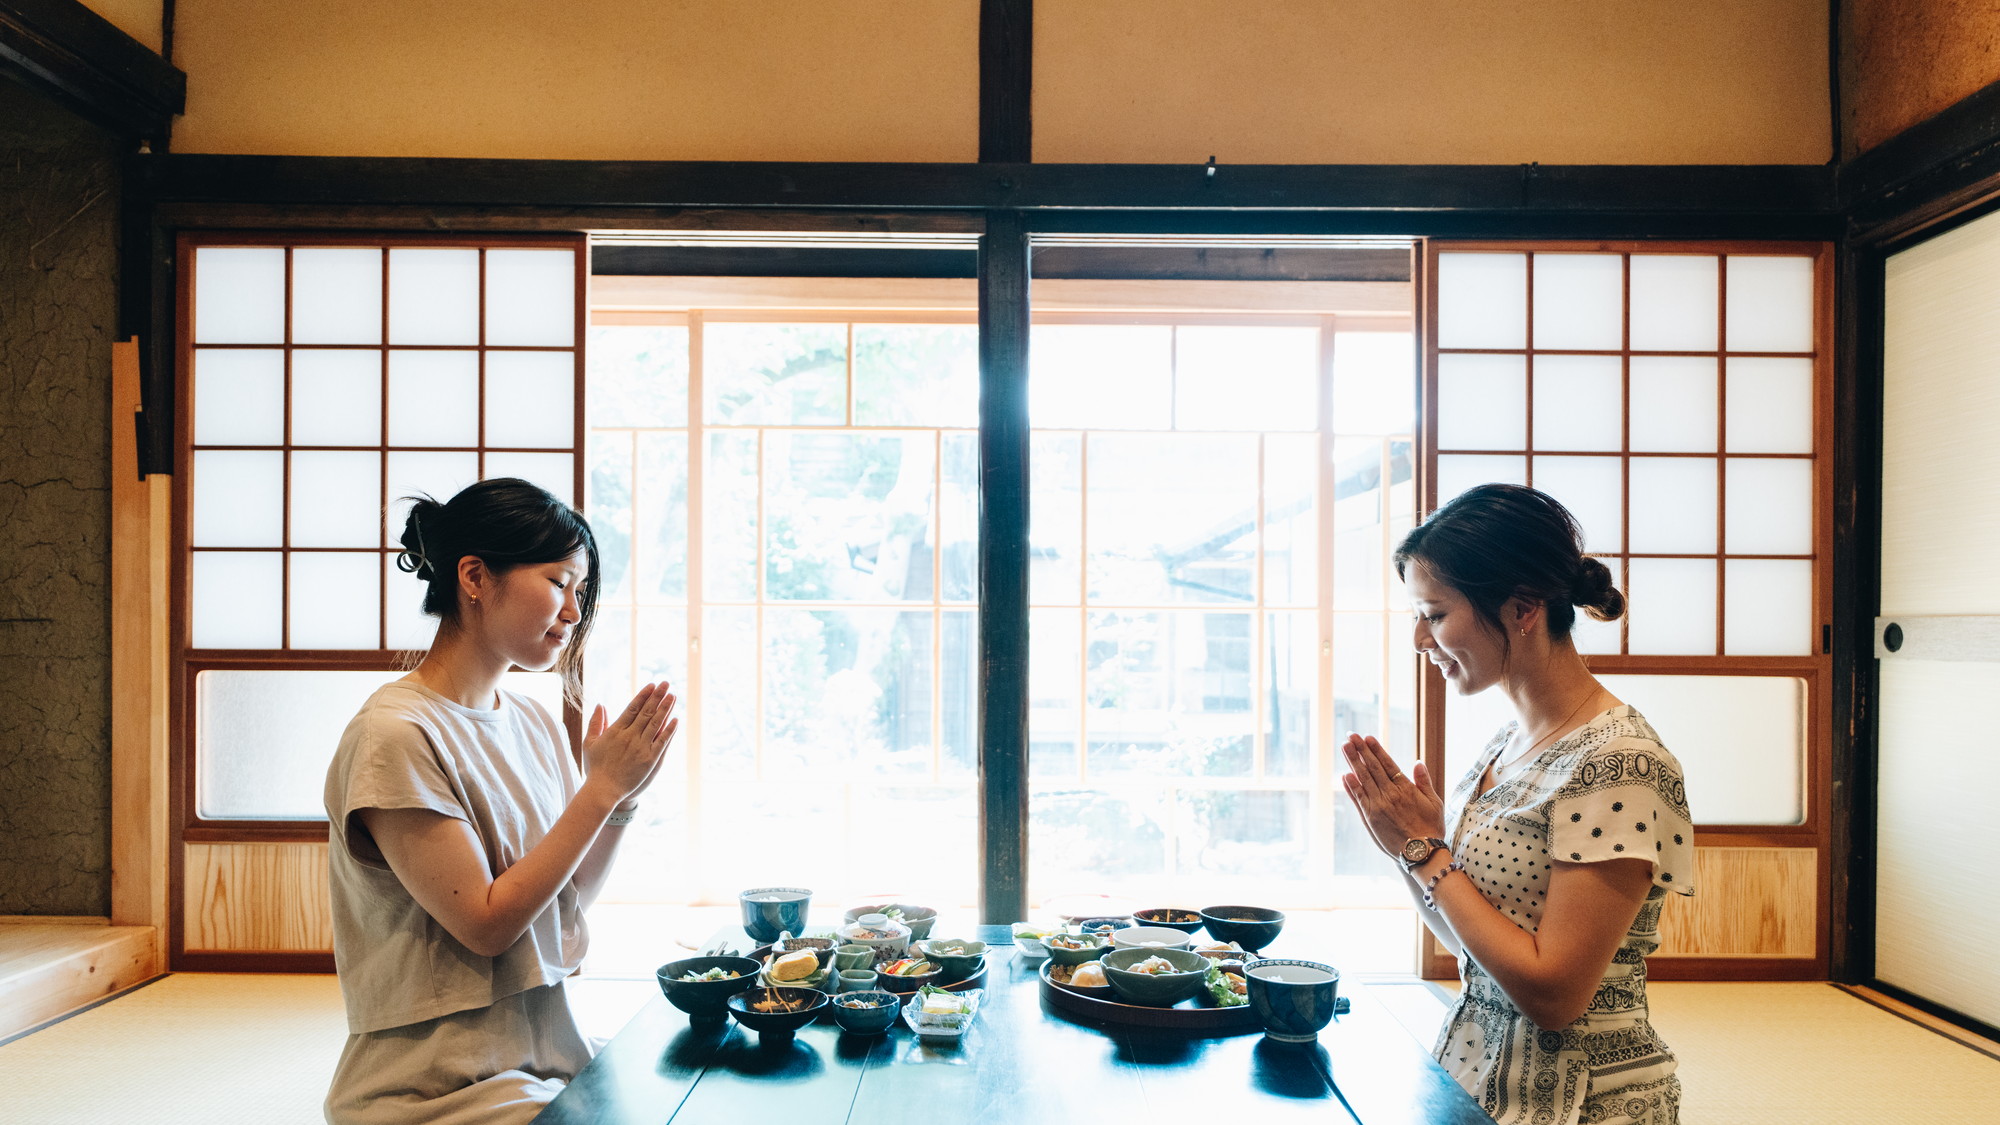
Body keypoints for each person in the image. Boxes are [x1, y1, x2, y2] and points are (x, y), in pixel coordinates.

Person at [322, 478, 677, 1125]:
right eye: (557, 582)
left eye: (580, 590)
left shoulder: (533, 722)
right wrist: (597, 790)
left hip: (546, 1060)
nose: (573, 610)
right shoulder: (395, 733)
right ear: (475, 576)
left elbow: (563, 899)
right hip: (437, 1089)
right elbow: (487, 924)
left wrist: (618, 800)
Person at [1340, 483, 1695, 1125]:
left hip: (1583, 1101)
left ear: (1523, 607)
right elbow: (1469, 941)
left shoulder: (1618, 765)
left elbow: (1554, 995)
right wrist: (1405, 847)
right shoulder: (1509, 744)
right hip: (1480, 1078)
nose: (1421, 639)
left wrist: (1425, 854)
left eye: (1436, 613)